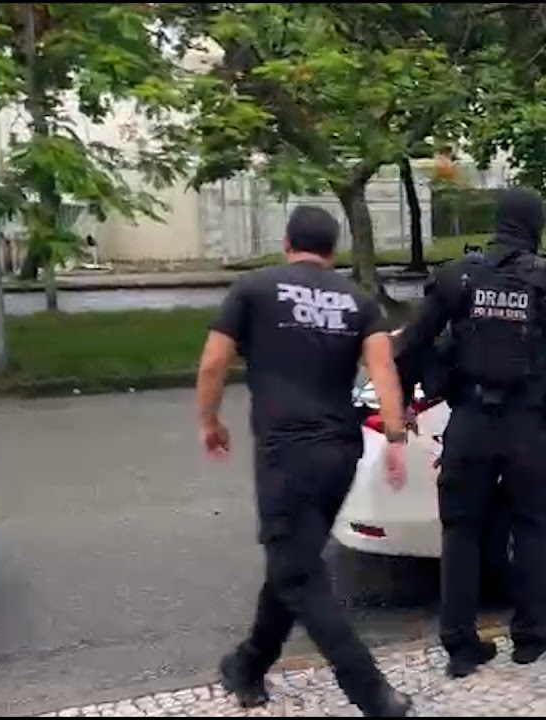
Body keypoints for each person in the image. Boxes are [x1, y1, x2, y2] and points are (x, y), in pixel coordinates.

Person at [194, 205, 413, 717]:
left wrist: (209, 422)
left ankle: (372, 694)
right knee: (294, 560)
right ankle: (248, 665)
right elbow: (383, 371)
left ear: (287, 243)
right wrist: (396, 438)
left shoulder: (253, 288)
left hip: (286, 453)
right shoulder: (359, 301)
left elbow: (213, 363)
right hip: (340, 452)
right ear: (333, 251)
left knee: (297, 575)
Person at [392, 186, 546, 679]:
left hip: (469, 423)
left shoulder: (459, 277)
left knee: (461, 531)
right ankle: (530, 637)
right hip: (529, 427)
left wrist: (400, 402)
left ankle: (460, 645)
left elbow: (411, 344)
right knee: (532, 529)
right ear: (536, 225)